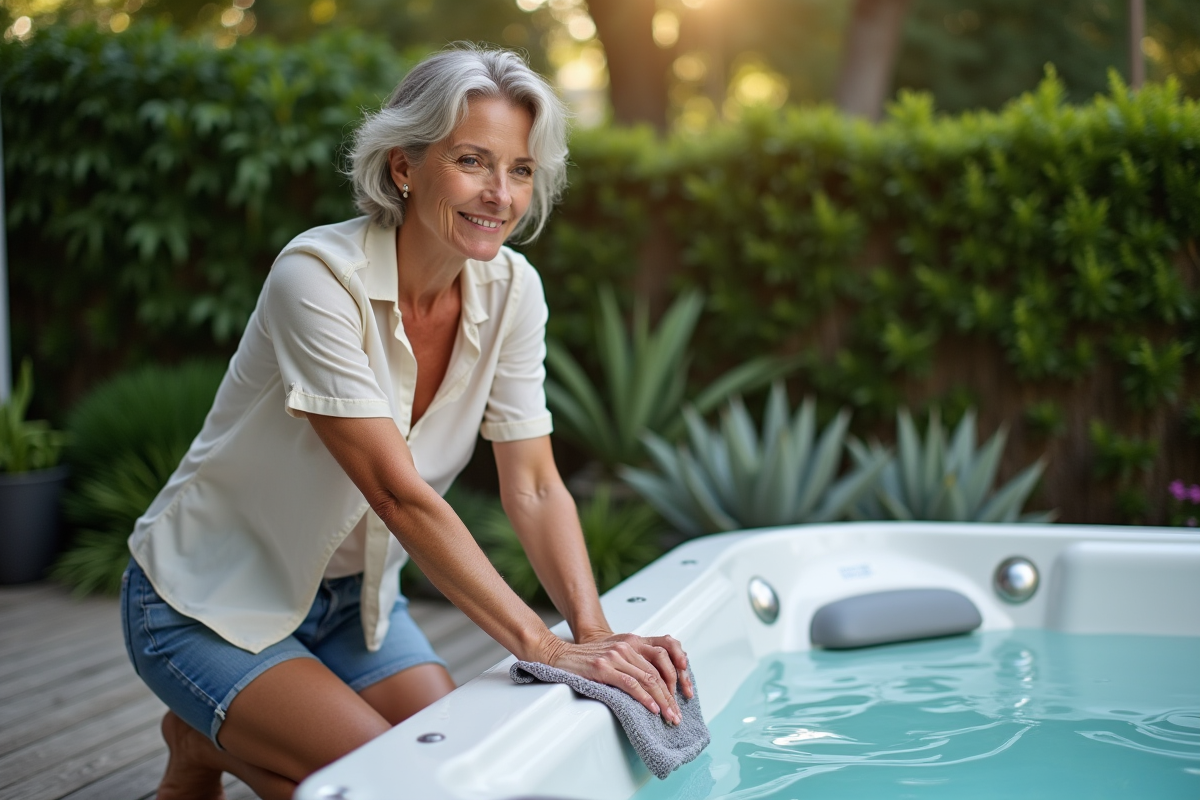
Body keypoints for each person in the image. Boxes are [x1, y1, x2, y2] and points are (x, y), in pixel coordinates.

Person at [120, 45, 693, 800]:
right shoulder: (318, 280)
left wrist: (593, 633)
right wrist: (543, 644)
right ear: (403, 167)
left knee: (471, 777)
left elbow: (535, 485)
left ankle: (210, 739)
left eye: (519, 169)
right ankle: (207, 738)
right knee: (401, 790)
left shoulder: (513, 289)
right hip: (208, 601)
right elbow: (397, 493)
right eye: (471, 161)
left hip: (358, 612)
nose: (499, 194)